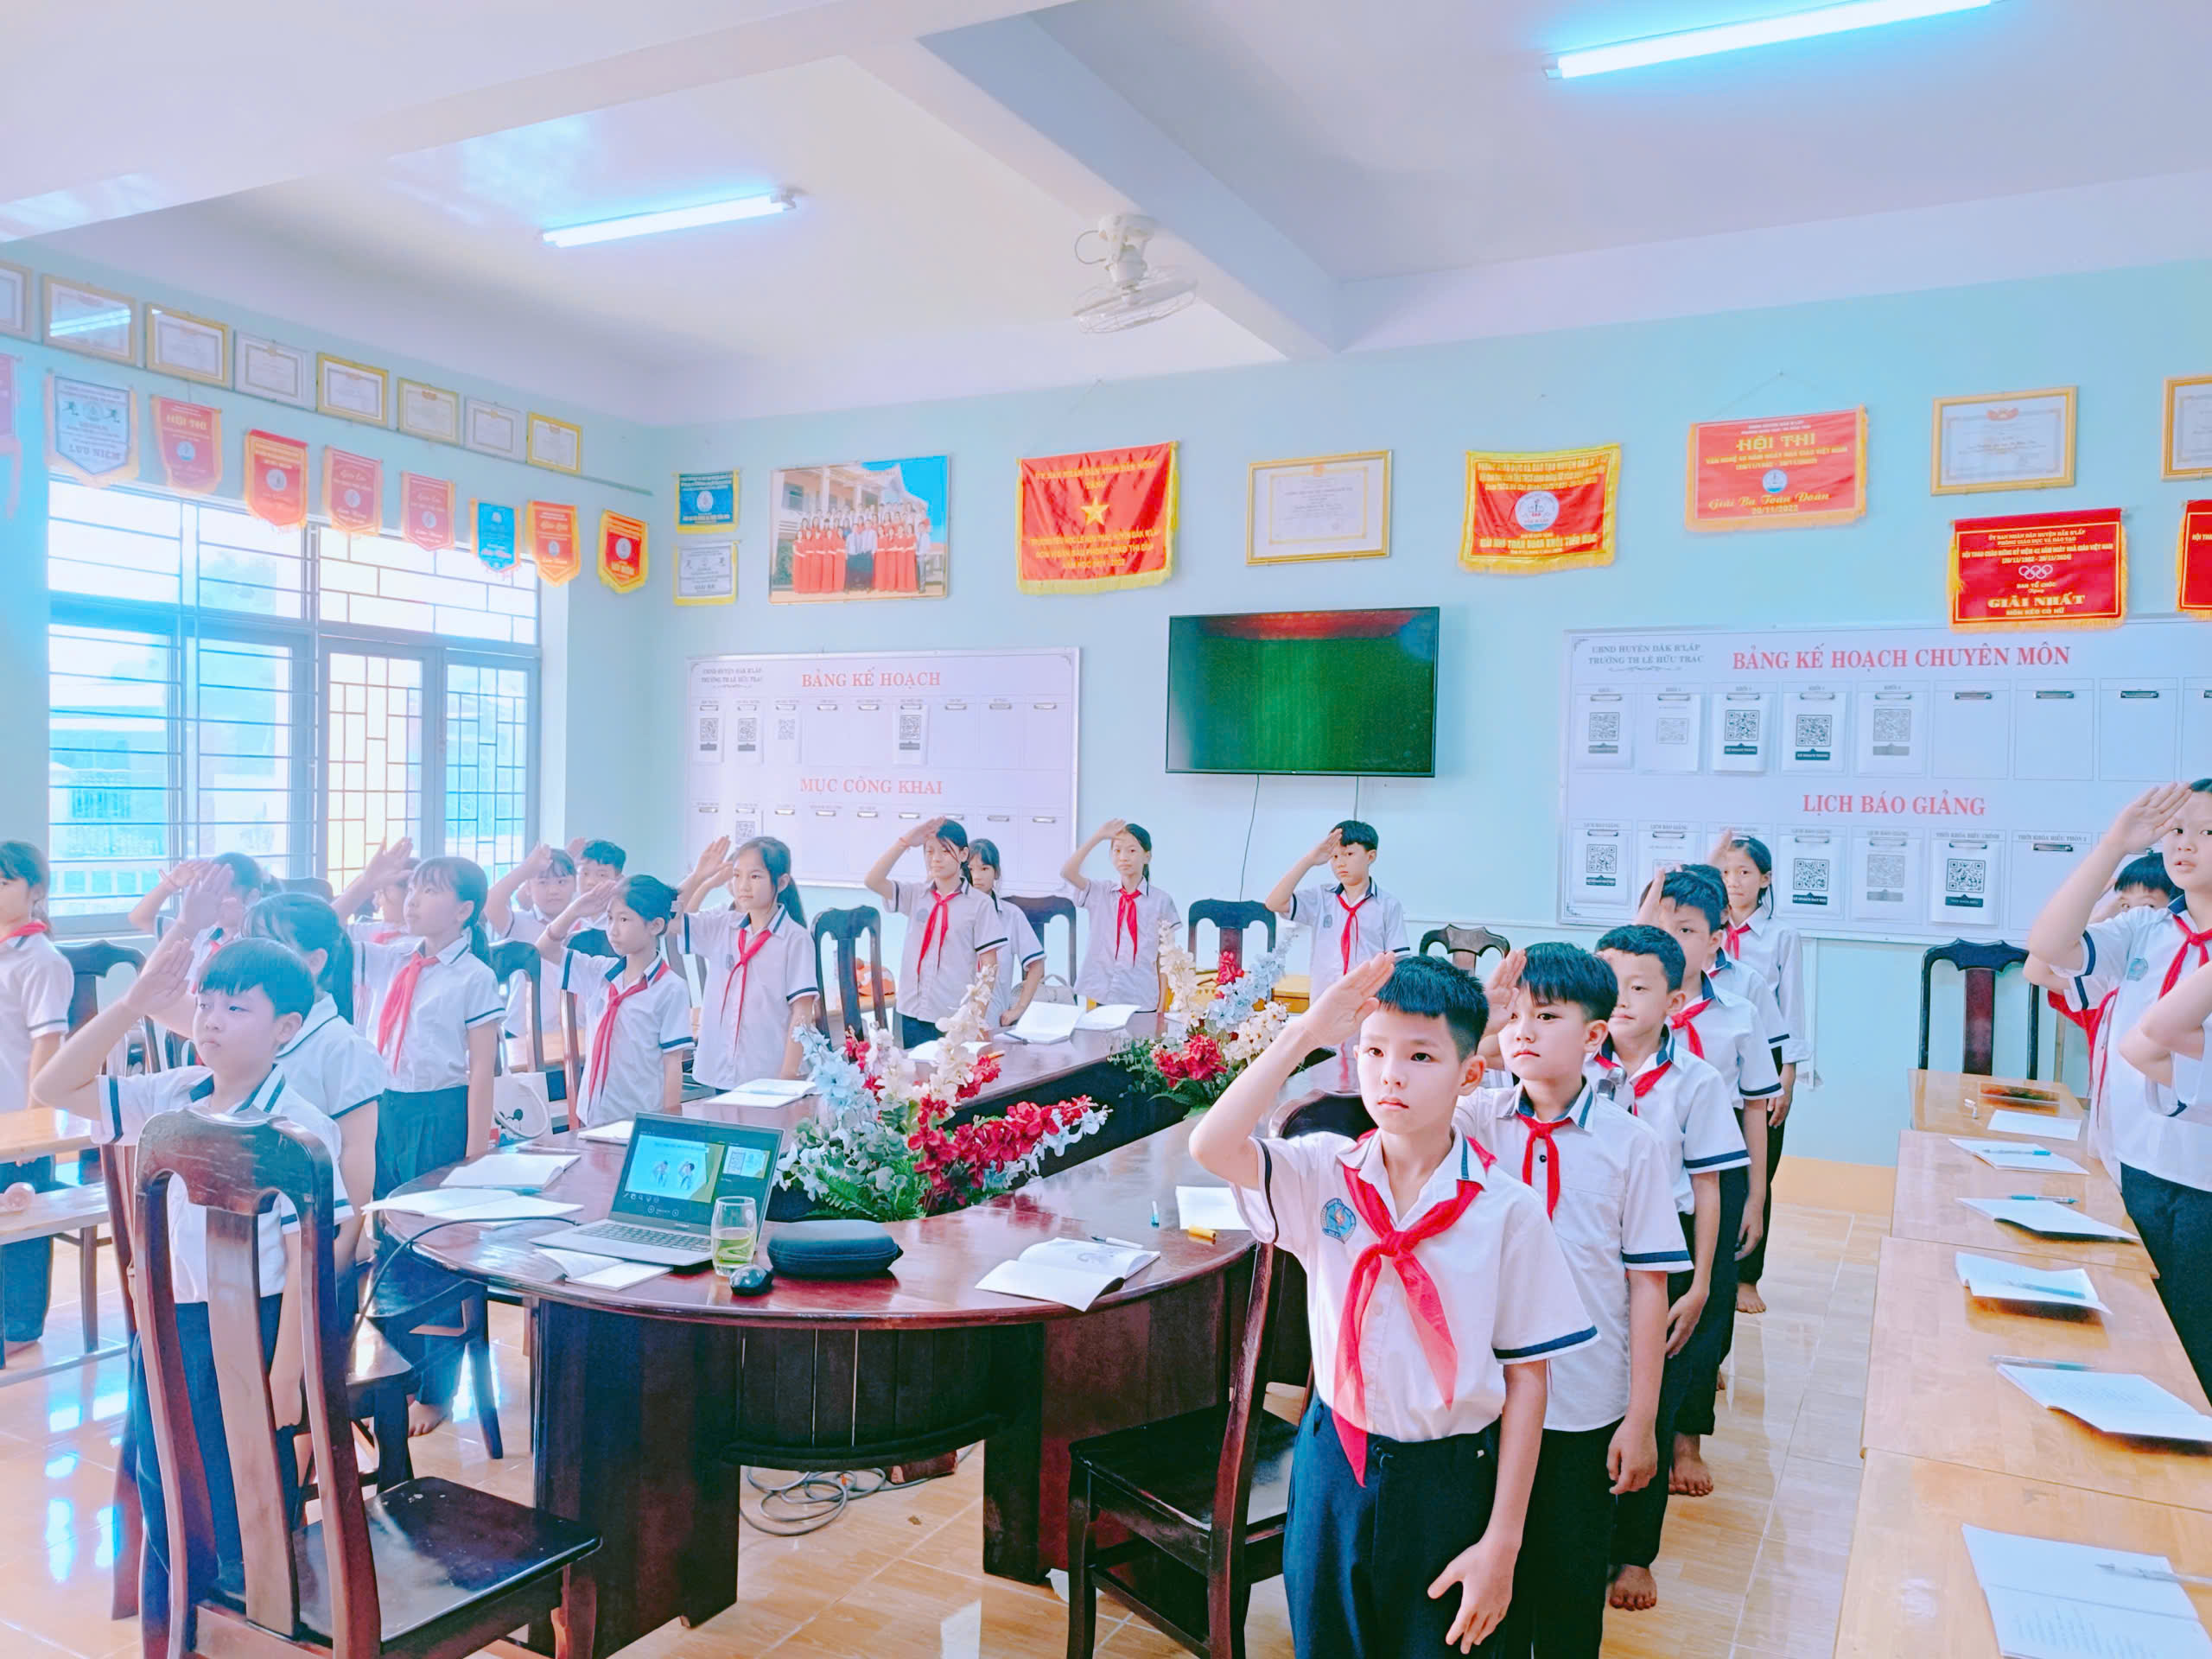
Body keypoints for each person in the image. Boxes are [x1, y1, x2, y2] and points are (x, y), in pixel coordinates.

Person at [1190, 953, 1595, 1658]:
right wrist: (1305, 1033)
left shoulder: (1506, 1212)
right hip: (1334, 1464)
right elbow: (1212, 1144)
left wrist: (1503, 1544)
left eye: (1420, 1055)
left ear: (1470, 1074)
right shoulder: (1324, 1173)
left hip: (1450, 1480)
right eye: (1374, 1051)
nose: (1391, 1074)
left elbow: (1529, 1379)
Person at [33, 929, 348, 1651]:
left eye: (236, 1008)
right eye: (205, 1004)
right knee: (169, 1484)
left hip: (253, 1331)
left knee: (244, 1496)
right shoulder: (173, 1094)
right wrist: (133, 1004)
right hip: (169, 1325)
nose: (211, 1021)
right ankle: (186, 1625)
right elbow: (52, 1087)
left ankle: (254, 1627)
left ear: (286, 1028)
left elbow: (308, 1260)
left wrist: (288, 1374)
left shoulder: (301, 1129)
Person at [1461, 944, 1684, 1659]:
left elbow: (1648, 1286)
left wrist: (1641, 1419)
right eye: (1515, 1017)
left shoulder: (1632, 1144)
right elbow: (1414, 1097)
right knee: (1490, 1585)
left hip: (1583, 1405)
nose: (1523, 1031)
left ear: (1594, 1035)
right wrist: (1482, 1024)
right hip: (1487, 1397)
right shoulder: (1475, 1121)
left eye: (1547, 1016)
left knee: (1567, 1583)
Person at [2030, 782, 2212, 1389]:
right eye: (2179, 830)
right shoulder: (2148, 929)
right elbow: (2047, 948)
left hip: (2204, 1183)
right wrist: (2113, 845)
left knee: (2196, 1354)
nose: (2187, 845)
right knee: (2132, 1339)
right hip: (2135, 1166)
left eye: (2208, 833)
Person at [1589, 924, 1748, 1613]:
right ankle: (1585, 1536)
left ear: (1675, 1001)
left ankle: (1634, 1554)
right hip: (1593, 1244)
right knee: (1591, 1400)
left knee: (1648, 1404)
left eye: (1639, 987)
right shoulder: (1576, 1066)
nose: (1621, 1000)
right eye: (1610, 985)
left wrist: (1705, 1282)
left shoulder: (1697, 1082)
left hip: (1671, 1248)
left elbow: (1709, 1187)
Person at [1639, 865, 1779, 1498]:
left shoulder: (1740, 1012)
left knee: (1710, 1300)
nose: (1671, 940)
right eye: (1661, 925)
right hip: (1650, 1174)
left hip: (1717, 1176)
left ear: (1716, 939)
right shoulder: (1627, 1008)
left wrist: (1757, 1194)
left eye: (1687, 930)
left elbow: (1755, 1106)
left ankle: (1687, 1438)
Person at [246, 893, 385, 1269]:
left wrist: (344, 1248)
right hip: (260, 1238)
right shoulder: (250, 1029)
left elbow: (357, 1153)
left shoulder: (341, 1046)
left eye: (270, 944)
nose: (254, 956)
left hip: (319, 1239)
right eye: (249, 942)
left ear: (314, 961)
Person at [1710, 835, 1808, 1316]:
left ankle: (1748, 1276)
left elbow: (1793, 1007)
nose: (1735, 882)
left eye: (1745, 872)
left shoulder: (1780, 936)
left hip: (1767, 1051)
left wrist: (1789, 1073)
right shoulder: (1706, 929)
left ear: (1765, 880)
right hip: (1718, 1053)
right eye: (1727, 872)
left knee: (1758, 1171)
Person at [2049, 851, 2177, 1173]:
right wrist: (2102, 911)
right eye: (2125, 907)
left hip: (2153, 1138)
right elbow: (2041, 966)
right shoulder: (2114, 972)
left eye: (2148, 906)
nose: (2134, 916)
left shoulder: (2174, 972)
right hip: (2108, 1132)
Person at [539, 874, 694, 1127]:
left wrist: (669, 1123)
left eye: (624, 919)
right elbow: (544, 949)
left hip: (638, 1118)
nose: (613, 929)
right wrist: (574, 910)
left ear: (655, 926)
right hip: (591, 1117)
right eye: (610, 918)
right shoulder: (599, 973)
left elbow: (673, 1062)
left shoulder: (670, 988)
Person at [676, 836, 820, 1089]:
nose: (743, 885)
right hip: (718, 1070)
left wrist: (787, 1076)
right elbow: (666, 918)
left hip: (767, 1073)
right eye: (737, 875)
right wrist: (699, 877)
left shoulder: (795, 938)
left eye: (755, 876)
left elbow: (802, 1011)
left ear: (781, 882)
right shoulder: (722, 925)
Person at [0, 842, 70, 1353]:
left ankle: (20, 1329)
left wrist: (34, 1125)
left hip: (18, 1117)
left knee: (20, 1221)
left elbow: (48, 1044)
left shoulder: (41, 959)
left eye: (4, 883)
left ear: (36, 891)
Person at [863, 817, 1005, 1046]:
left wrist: (975, 1018)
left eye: (945, 851)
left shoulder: (980, 904)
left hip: (954, 1017)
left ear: (963, 854)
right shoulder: (916, 895)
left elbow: (990, 967)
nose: (935, 859)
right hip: (912, 1012)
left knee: (954, 1068)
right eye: (929, 851)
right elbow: (873, 880)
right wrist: (905, 842)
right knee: (916, 1068)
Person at [1265, 819, 1411, 1007]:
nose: (1340, 863)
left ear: (1370, 856)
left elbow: (1398, 962)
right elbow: (1274, 903)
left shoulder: (1388, 905)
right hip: (1323, 1004)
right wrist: (1309, 860)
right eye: (1334, 857)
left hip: (1368, 1005)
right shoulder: (1321, 898)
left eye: (1349, 854)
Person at [1061, 819, 1179, 1011]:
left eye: (1132, 851)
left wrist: (1162, 1006)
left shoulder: (1161, 901)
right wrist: (1098, 837)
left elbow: (1165, 958)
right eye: (1117, 851)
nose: (1123, 857)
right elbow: (1067, 872)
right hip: (1105, 998)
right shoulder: (1101, 892)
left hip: (1143, 1000)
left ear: (1147, 856)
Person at [486, 842, 579, 1052]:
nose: (553, 890)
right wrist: (526, 869)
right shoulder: (519, 924)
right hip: (524, 1033)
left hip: (579, 1033)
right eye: (543, 882)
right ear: (528, 888)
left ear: (575, 884)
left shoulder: (587, 928)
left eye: (562, 882)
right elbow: (491, 902)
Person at [128, 851, 270, 981]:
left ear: (252, 897)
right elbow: (140, 918)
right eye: (209, 893)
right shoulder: (200, 932)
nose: (213, 903)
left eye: (223, 895)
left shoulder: (259, 947)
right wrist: (170, 885)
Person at [965, 839, 1046, 1029]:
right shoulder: (954, 913)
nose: (976, 876)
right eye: (971, 869)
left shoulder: (1011, 915)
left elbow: (1036, 965)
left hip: (993, 1022)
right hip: (954, 1019)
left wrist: (1019, 1009)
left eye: (984, 869)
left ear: (996, 872)